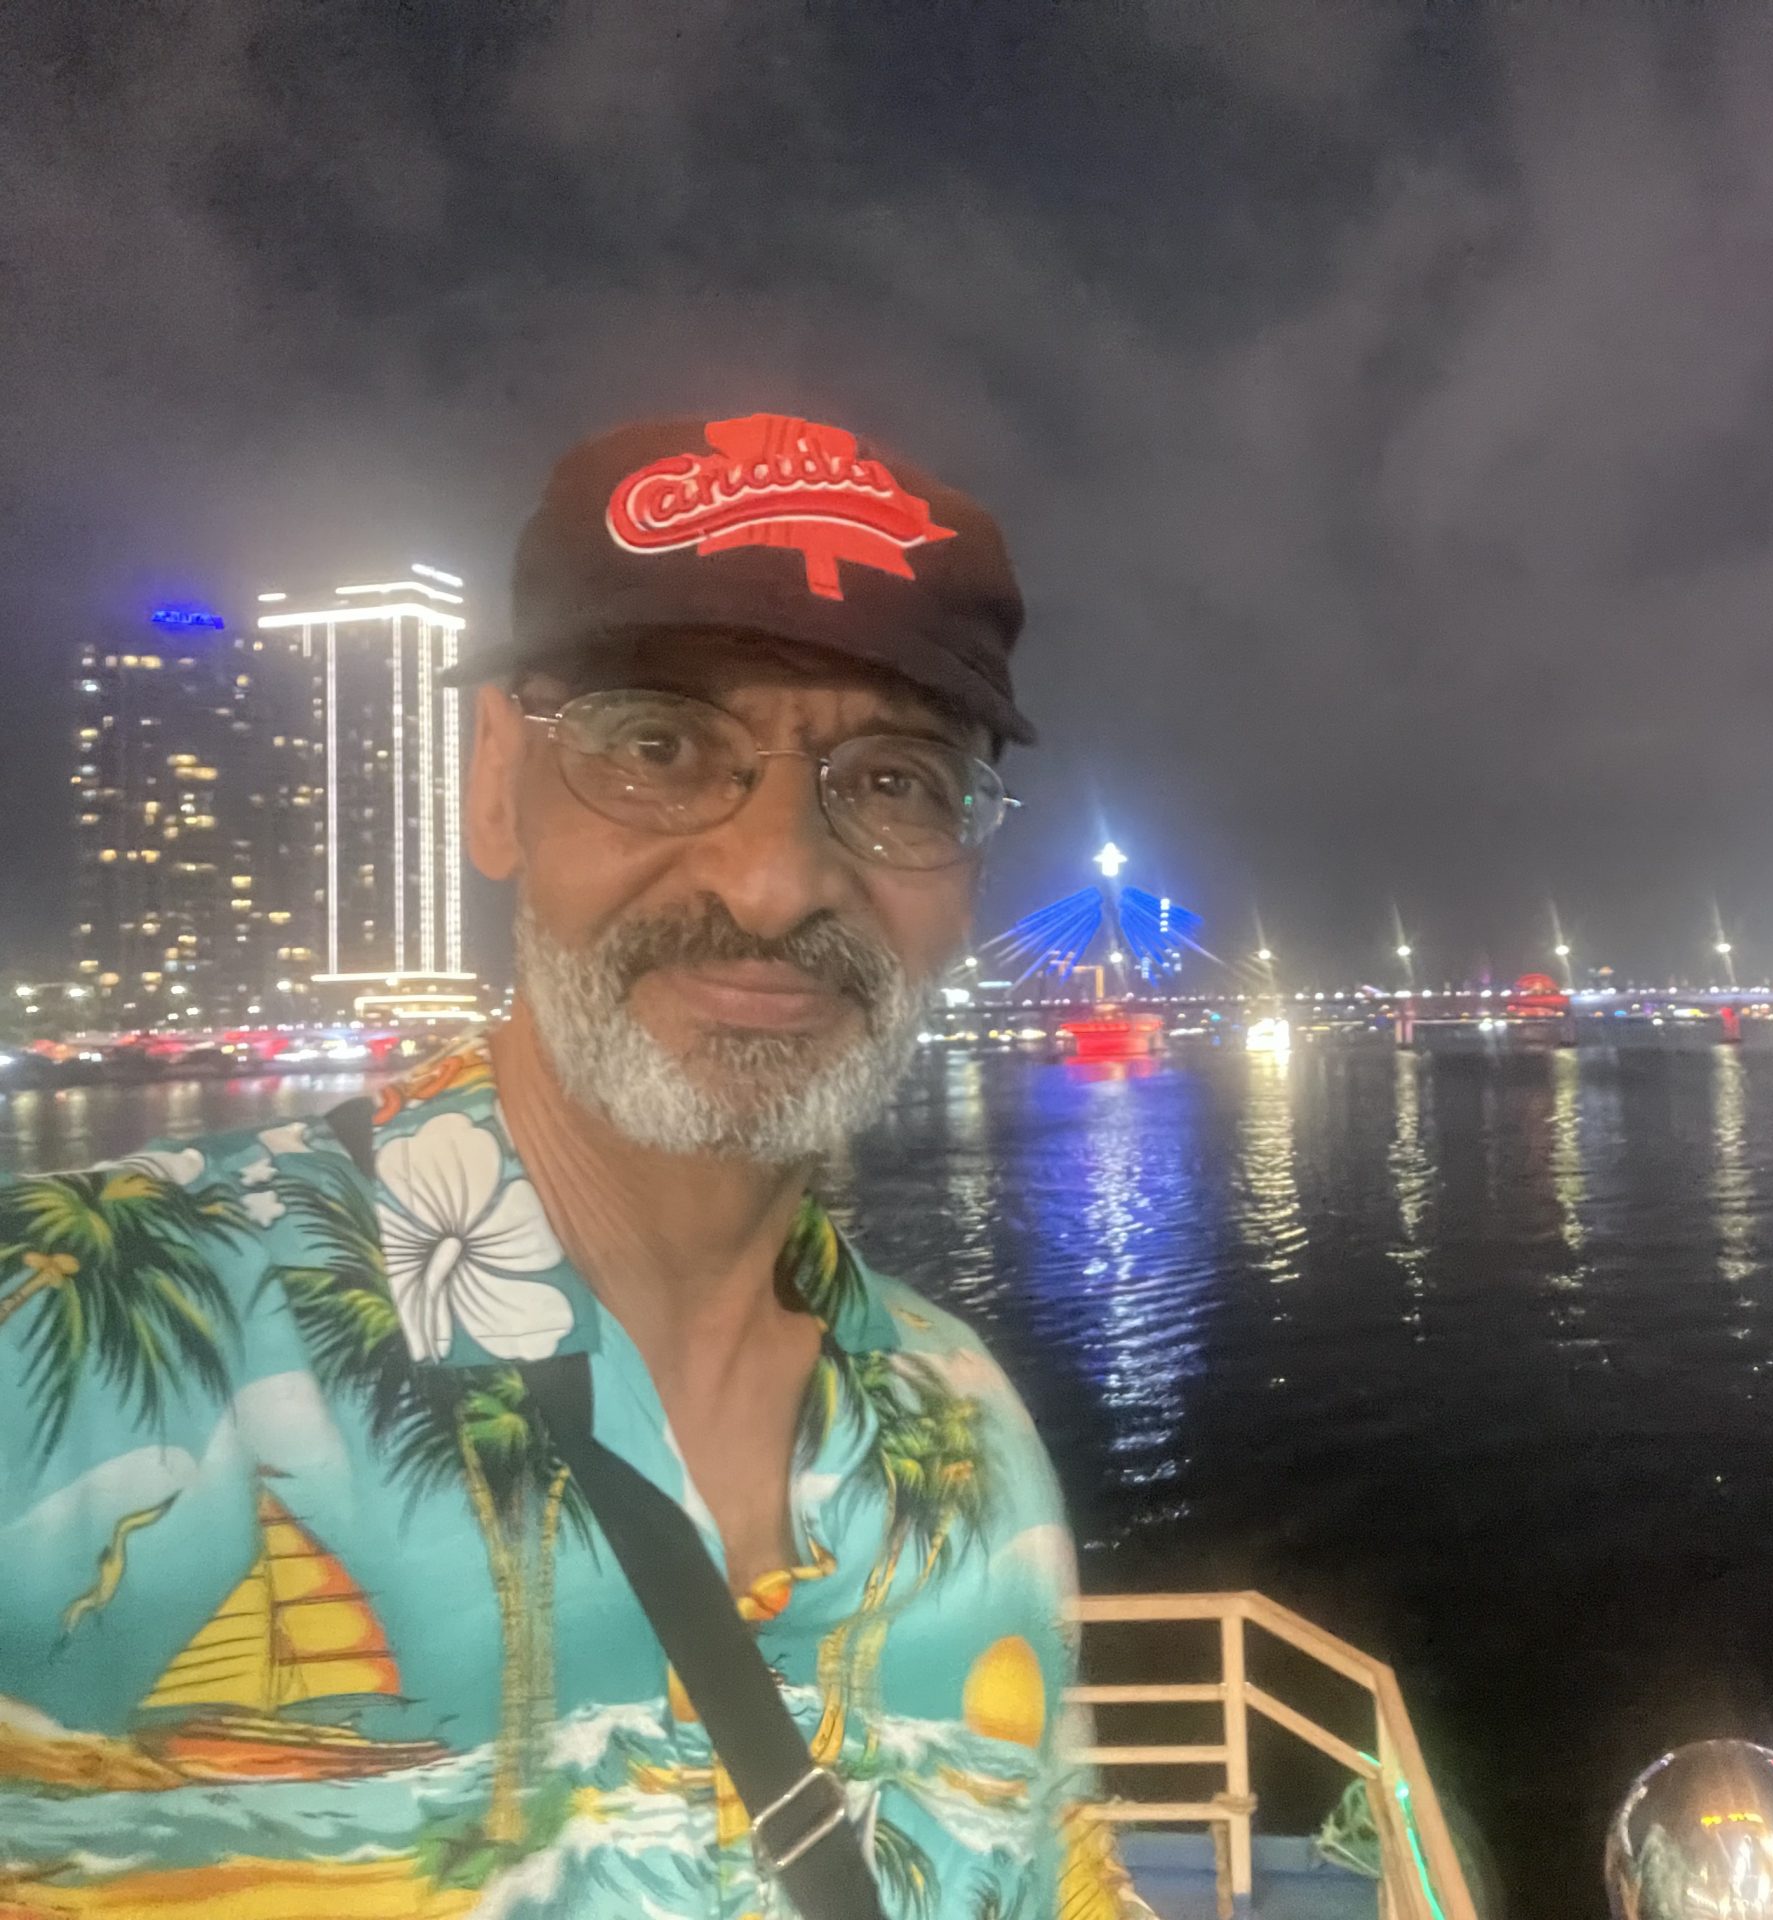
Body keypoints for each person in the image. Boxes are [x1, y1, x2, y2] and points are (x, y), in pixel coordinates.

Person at [0, 413, 1141, 1917]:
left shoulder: (968, 1435)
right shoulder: (69, 1342)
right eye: (660, 746)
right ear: (495, 782)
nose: (773, 880)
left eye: (894, 782)